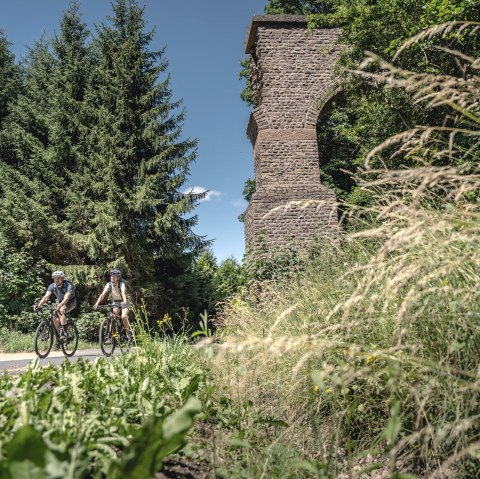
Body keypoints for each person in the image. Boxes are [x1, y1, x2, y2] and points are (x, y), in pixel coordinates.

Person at [34, 271, 76, 343]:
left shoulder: (68, 285)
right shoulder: (52, 286)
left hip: (70, 302)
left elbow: (66, 298)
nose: (56, 280)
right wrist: (38, 305)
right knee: (54, 318)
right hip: (61, 302)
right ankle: (58, 338)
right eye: (55, 278)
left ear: (62, 278)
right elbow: (46, 297)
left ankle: (64, 333)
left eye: (58, 278)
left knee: (61, 310)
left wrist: (60, 305)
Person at [93, 269, 132, 340]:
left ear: (118, 277)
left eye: (114, 276)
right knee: (112, 317)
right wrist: (96, 303)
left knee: (123, 317)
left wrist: (125, 301)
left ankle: (128, 332)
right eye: (111, 276)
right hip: (116, 302)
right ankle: (113, 335)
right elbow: (102, 294)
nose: (112, 278)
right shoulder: (109, 284)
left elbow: (123, 293)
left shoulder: (121, 284)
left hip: (124, 302)